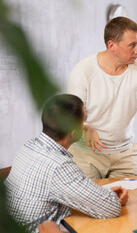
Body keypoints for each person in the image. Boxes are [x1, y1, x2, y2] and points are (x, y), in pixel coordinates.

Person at [5, 94, 128, 232]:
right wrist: (112, 199)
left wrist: (101, 194)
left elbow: (68, 191)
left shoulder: (28, 147)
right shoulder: (59, 166)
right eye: (84, 122)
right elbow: (110, 208)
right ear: (75, 132)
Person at [67, 17, 137, 180]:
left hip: (125, 154)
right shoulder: (83, 71)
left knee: (136, 202)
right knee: (87, 205)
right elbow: (69, 117)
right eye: (132, 45)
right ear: (112, 46)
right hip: (86, 155)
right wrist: (85, 127)